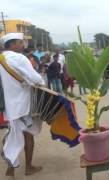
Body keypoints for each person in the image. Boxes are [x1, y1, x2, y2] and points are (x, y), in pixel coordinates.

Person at [0, 33, 44, 177]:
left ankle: (11, 166)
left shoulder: (2, 59)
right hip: (24, 105)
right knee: (28, 134)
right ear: (12, 45)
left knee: (13, 133)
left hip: (9, 106)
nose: (23, 45)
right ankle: (28, 167)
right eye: (20, 42)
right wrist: (42, 82)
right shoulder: (19, 58)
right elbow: (35, 78)